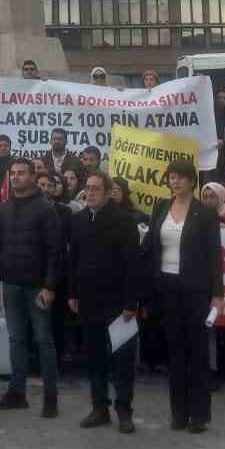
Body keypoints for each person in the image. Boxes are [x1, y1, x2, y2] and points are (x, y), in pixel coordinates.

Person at [142, 159, 223, 433]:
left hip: (196, 290)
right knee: (174, 351)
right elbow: (150, 245)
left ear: (191, 180)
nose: (174, 182)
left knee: (197, 352)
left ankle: (199, 414)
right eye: (171, 177)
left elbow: (215, 256)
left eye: (179, 177)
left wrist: (217, 294)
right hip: (166, 287)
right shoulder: (160, 207)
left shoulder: (206, 213)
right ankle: (179, 412)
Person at [66, 172, 142, 432]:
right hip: (88, 300)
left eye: (96, 188)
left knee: (122, 359)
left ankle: (124, 410)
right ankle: (99, 408)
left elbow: (134, 265)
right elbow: (73, 260)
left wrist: (131, 302)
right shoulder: (77, 220)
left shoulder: (124, 221)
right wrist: (73, 293)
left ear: (109, 192)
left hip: (118, 303)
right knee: (95, 357)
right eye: (88, 188)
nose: (90, 193)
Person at [0, 159, 63, 418]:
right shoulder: (2, 209)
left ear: (33, 176)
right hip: (10, 285)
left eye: (22, 173)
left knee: (44, 341)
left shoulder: (45, 209)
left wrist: (49, 287)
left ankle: (51, 397)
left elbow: (55, 252)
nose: (17, 177)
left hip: (37, 288)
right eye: (14, 173)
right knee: (15, 340)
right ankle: (17, 393)